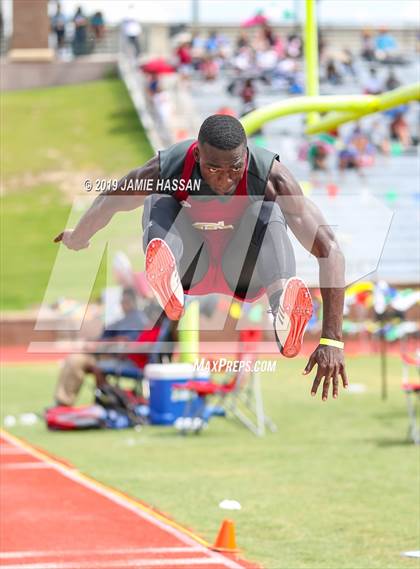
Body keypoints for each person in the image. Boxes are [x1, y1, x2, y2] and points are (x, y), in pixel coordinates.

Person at [55, 115, 348, 401]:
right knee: (157, 198)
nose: (224, 178)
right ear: (196, 157)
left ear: (245, 156)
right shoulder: (168, 168)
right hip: (192, 268)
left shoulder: (271, 177)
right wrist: (79, 235)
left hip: (242, 273)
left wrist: (332, 339)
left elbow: (329, 248)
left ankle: (281, 306)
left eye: (234, 168)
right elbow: (112, 200)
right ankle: (167, 277)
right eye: (212, 169)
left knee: (267, 211)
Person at [53, 288, 148, 407]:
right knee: (74, 359)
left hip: (116, 358)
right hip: (102, 354)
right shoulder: (123, 319)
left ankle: (64, 403)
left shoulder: (137, 319)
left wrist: (97, 345)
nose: (121, 305)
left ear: (130, 302)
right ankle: (65, 402)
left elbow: (126, 342)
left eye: (123, 301)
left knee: (75, 361)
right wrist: (92, 344)